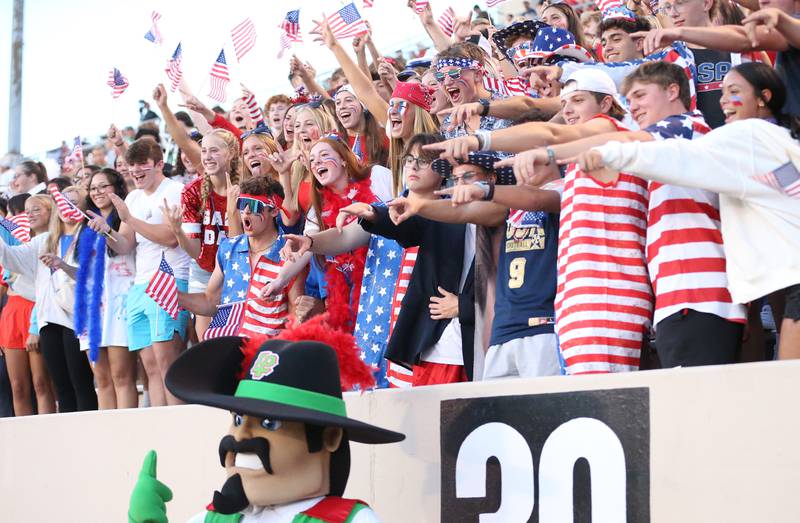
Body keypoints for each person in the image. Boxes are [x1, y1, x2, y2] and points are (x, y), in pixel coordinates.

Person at [510, 61, 747, 367]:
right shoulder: (661, 149)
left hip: (698, 295)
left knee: (700, 405)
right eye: (630, 100)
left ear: (673, 91)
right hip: (676, 297)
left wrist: (550, 152)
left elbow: (624, 140)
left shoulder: (686, 126)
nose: (633, 107)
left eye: (640, 96)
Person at [575, 62, 800, 358]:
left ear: (763, 97)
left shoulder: (746, 134)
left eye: (733, 92)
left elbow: (681, 153)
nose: (722, 101)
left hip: (700, 298)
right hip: (770, 287)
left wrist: (593, 152)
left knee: (788, 383)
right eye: (721, 92)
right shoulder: (776, 140)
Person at [128, 324, 404, 522]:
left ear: (330, 437)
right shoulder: (219, 518)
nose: (241, 435)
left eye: (269, 423)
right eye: (237, 419)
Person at [87, 138, 190, 406]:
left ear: (159, 164)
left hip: (168, 282)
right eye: (132, 166)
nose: (136, 171)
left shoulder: (175, 190)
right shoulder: (132, 197)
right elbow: (125, 245)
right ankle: (158, 429)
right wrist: (107, 230)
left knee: (168, 363)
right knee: (151, 369)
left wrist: (130, 219)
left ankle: (178, 427)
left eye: (142, 164)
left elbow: (170, 237)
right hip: (140, 286)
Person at [2, 189, 98, 412]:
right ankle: (67, 439)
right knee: (61, 386)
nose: (66, 207)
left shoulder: (86, 235)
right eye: (63, 202)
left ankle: (89, 435)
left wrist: (63, 265)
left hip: (77, 318)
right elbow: (10, 257)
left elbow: (92, 276)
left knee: (80, 382)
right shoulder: (44, 240)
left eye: (72, 203)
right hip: (49, 321)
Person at [176, 176, 299, 339]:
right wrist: (176, 296)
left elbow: (295, 319)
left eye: (255, 206)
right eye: (242, 204)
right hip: (229, 348)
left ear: (274, 211)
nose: (246, 211)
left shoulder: (290, 253)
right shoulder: (229, 248)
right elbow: (210, 301)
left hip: (266, 353)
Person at [71, 168, 138, 409]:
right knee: (101, 379)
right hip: (94, 308)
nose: (97, 192)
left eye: (103, 186)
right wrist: (60, 265)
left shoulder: (125, 216)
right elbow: (83, 273)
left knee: (122, 376)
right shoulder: (85, 226)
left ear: (117, 188)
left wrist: (107, 228)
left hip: (120, 303)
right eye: (93, 188)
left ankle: (127, 433)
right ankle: (108, 434)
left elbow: (124, 248)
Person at [170, 129, 243, 340]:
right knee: (208, 342)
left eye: (214, 150)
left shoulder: (246, 186)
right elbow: (195, 251)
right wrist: (177, 231)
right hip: (205, 272)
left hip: (241, 270)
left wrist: (232, 211)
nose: (207, 157)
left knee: (238, 340)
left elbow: (239, 245)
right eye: (203, 151)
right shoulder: (192, 191)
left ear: (230, 153)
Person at [0, 194, 55, 415]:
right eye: (27, 211)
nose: (30, 215)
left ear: (51, 212)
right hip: (12, 312)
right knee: (18, 387)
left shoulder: (54, 241)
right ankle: (25, 442)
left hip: (36, 312)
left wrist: (35, 326)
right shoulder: (19, 242)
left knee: (42, 384)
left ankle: (47, 436)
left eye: (36, 210)